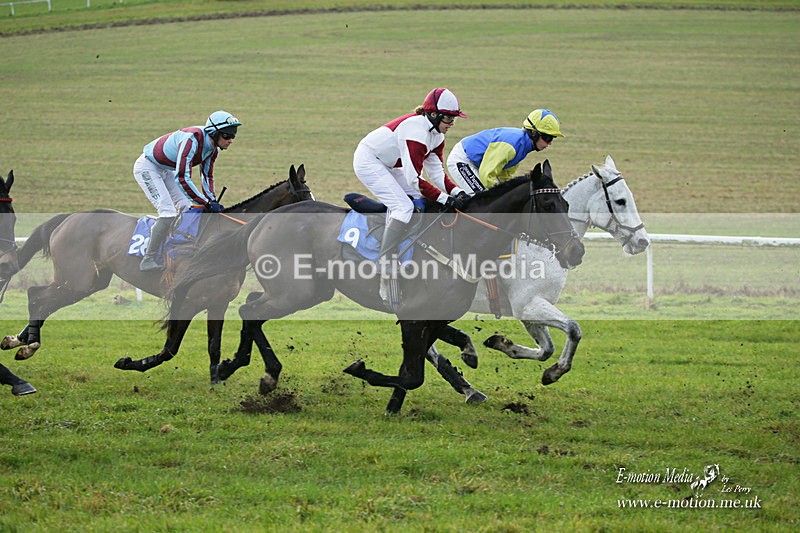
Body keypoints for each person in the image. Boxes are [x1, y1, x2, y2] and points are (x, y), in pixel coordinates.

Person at [353, 88, 470, 309]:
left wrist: (456, 193)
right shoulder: (416, 132)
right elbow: (415, 179)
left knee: (421, 201)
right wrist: (445, 200)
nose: (452, 122)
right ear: (434, 114)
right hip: (369, 160)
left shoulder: (437, 135)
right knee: (403, 207)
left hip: (390, 164)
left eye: (454, 118)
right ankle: (385, 266)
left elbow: (436, 173)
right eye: (448, 117)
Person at [133, 110, 241, 271]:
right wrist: (205, 202)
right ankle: (148, 259)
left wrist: (211, 201)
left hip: (166, 169)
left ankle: (177, 249)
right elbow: (183, 177)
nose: (230, 140)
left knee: (186, 208)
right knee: (168, 212)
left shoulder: (213, 150)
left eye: (233, 136)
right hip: (148, 167)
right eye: (227, 136)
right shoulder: (192, 140)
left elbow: (207, 176)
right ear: (214, 133)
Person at [447, 108, 564, 195]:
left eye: (552, 139)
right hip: (462, 160)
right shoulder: (511, 145)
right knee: (482, 197)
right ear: (533, 133)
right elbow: (486, 174)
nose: (549, 143)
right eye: (547, 138)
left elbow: (504, 176)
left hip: (478, 165)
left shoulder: (523, 147)